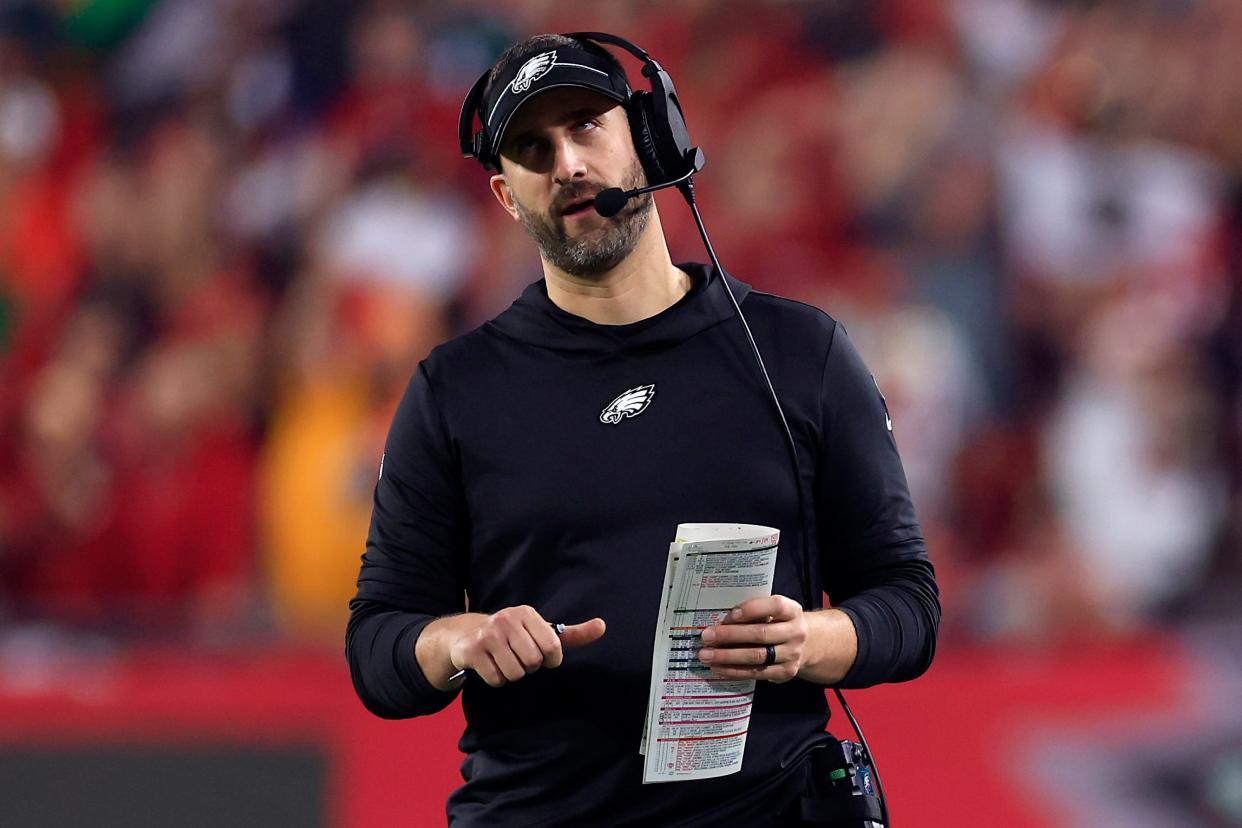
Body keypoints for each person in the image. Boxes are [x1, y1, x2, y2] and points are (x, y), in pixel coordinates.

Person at [346, 32, 939, 827]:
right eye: (532, 149)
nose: (567, 164)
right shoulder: (454, 391)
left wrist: (810, 638)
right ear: (506, 196)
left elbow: (908, 606)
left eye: (587, 125)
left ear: (648, 137)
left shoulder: (801, 355)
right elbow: (378, 648)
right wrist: (460, 641)